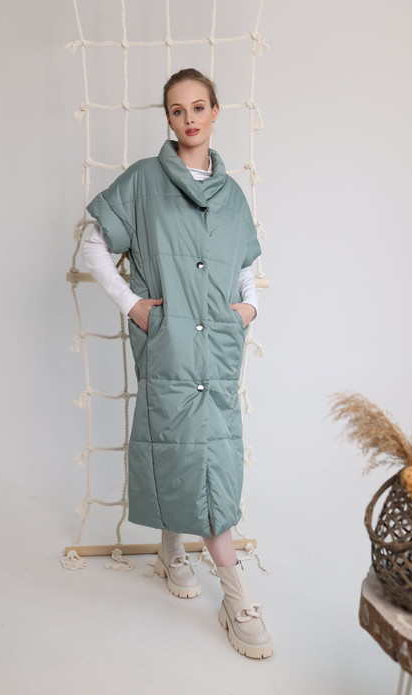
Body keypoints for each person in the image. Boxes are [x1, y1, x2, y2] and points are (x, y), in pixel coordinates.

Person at [82, 68, 273, 659]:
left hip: (219, 346)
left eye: (198, 107)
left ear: (215, 111)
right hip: (167, 343)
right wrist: (132, 305)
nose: (189, 118)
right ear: (167, 118)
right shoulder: (143, 180)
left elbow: (247, 264)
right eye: (176, 109)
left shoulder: (233, 193)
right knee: (180, 445)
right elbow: (92, 245)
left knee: (210, 451)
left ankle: (171, 552)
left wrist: (250, 309)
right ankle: (237, 598)